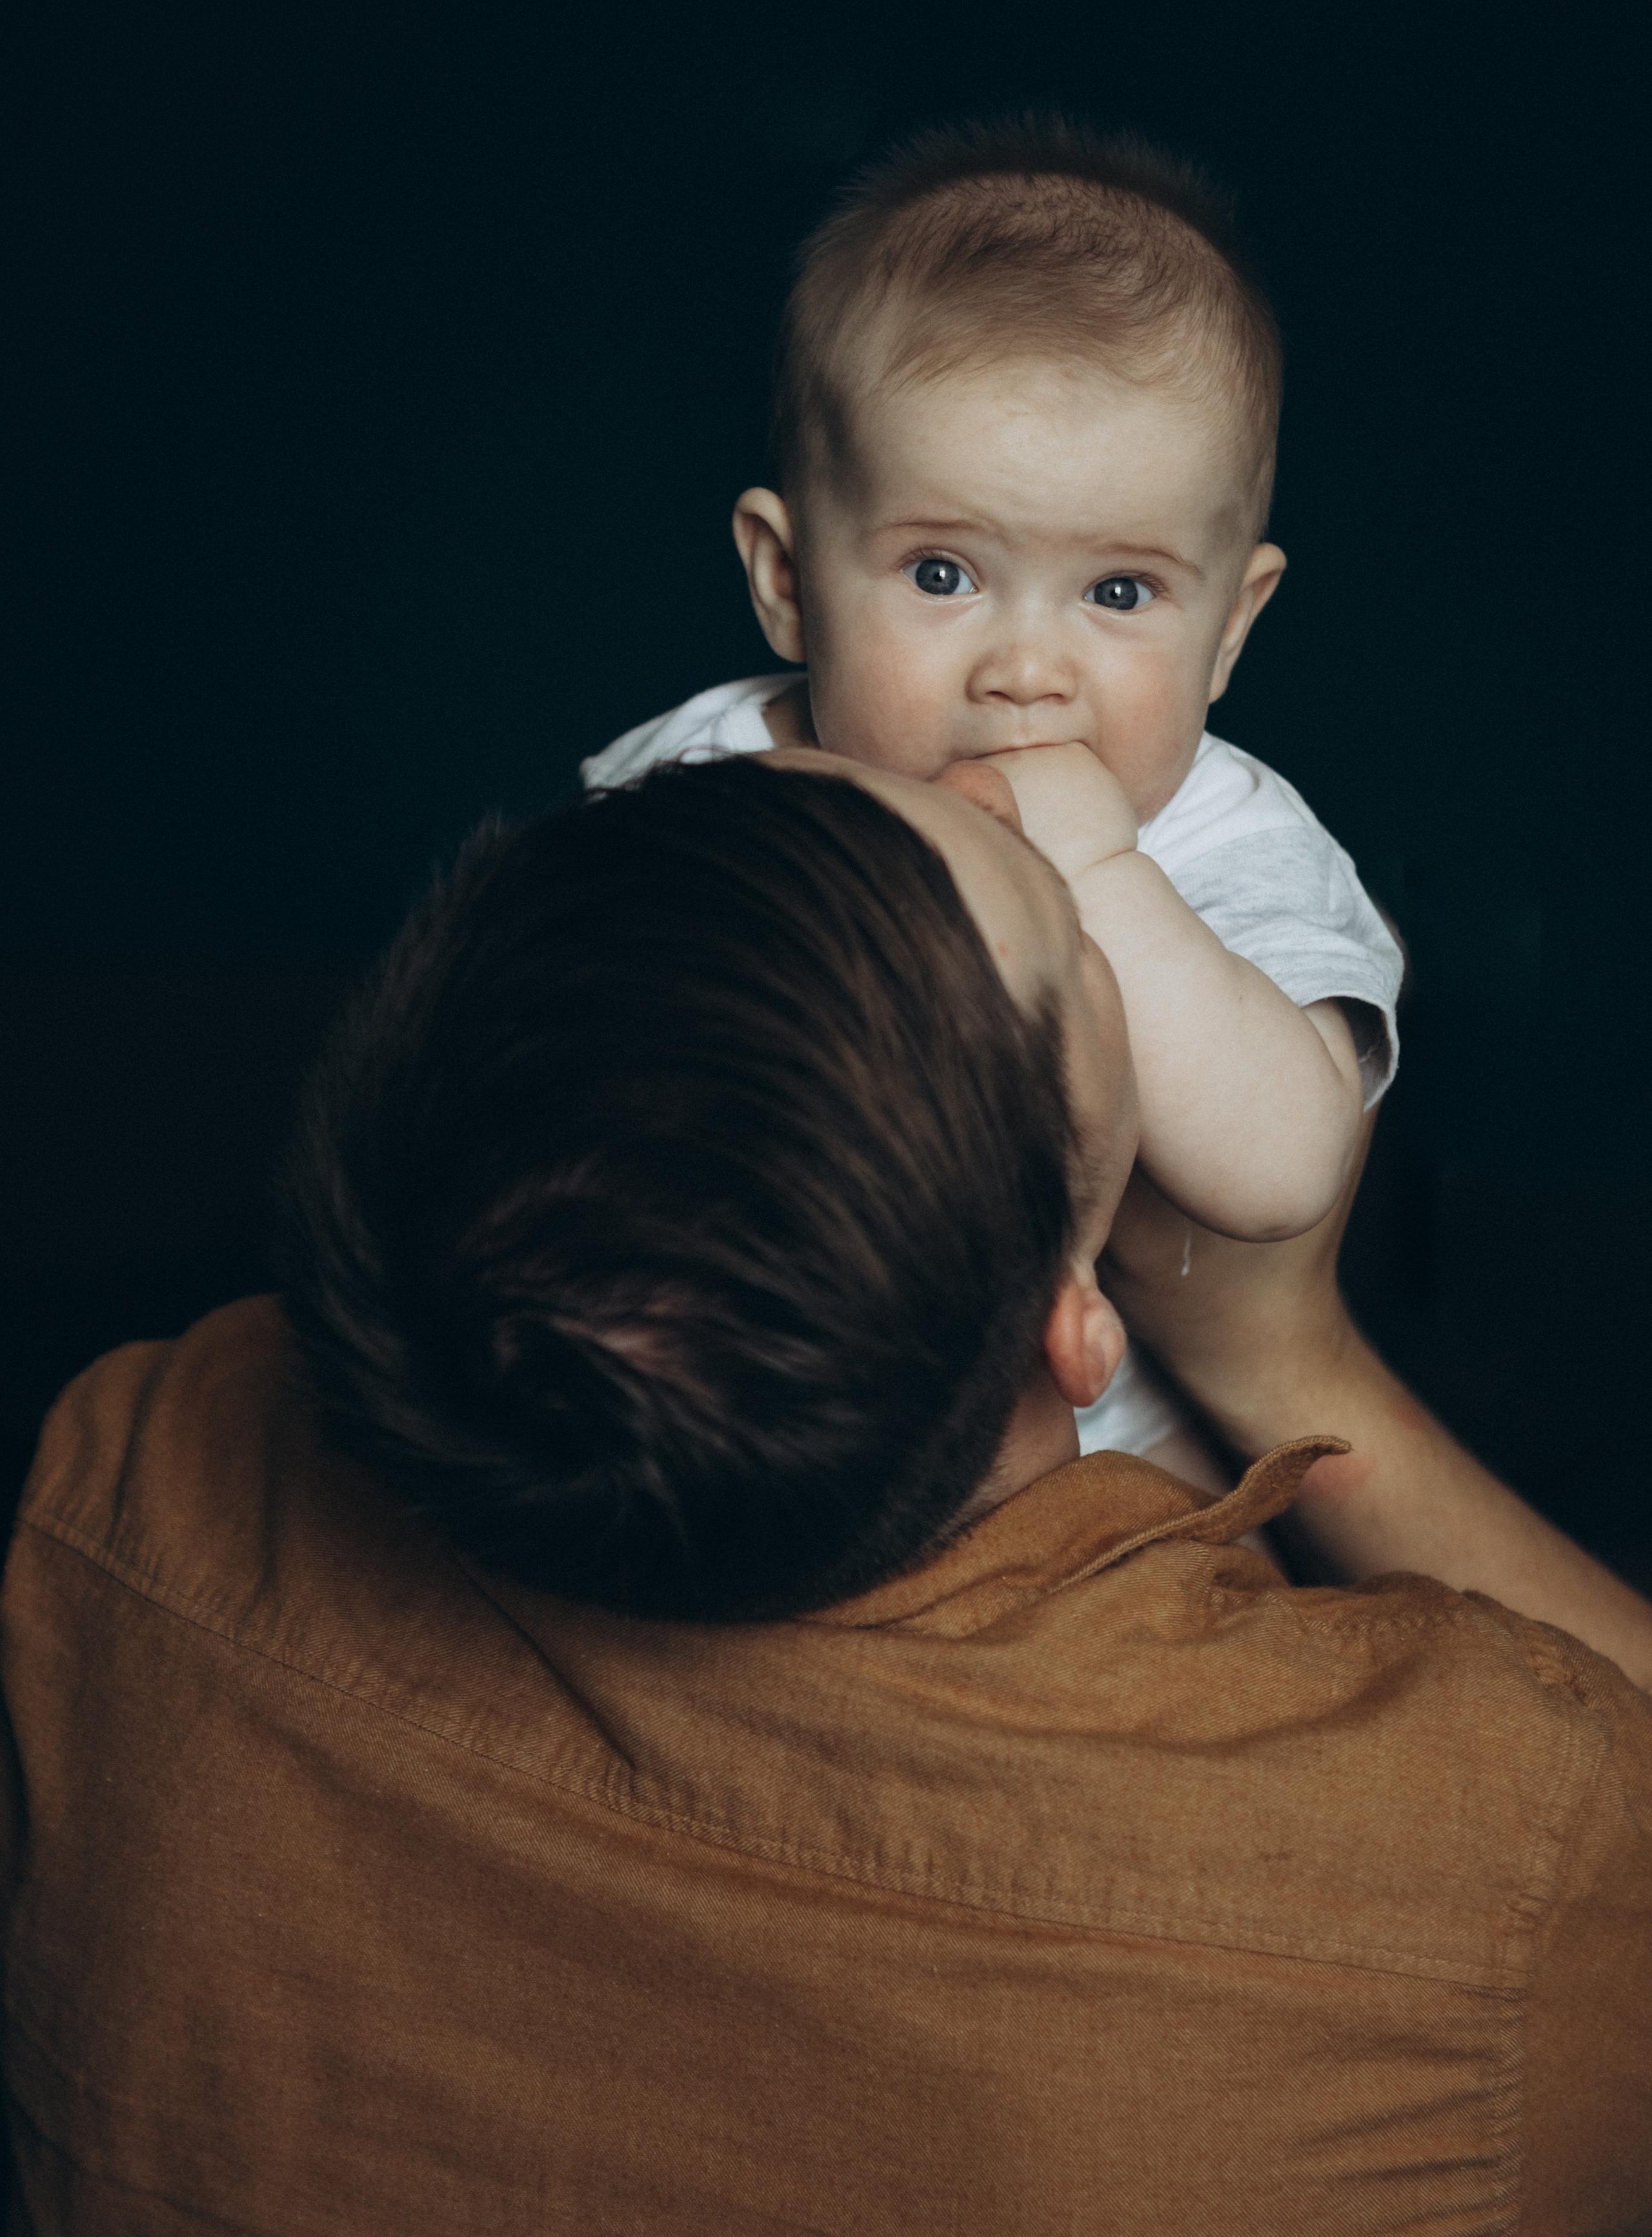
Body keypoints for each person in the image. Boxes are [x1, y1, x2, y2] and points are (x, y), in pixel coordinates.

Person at [3, 751, 1649, 2235]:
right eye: (1075, 937)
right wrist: (1294, 1364)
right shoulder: (1476, 1865)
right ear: (1074, 1331)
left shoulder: (128, 1476)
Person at [583, 114, 1405, 1491]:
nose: (1026, 672)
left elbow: (1279, 1175)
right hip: (757, 1423)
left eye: (1118, 594)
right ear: (787, 577)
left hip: (1107, 1473)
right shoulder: (695, 771)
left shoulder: (1220, 840)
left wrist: (1091, 870)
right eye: (941, 575)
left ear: (1230, 628)